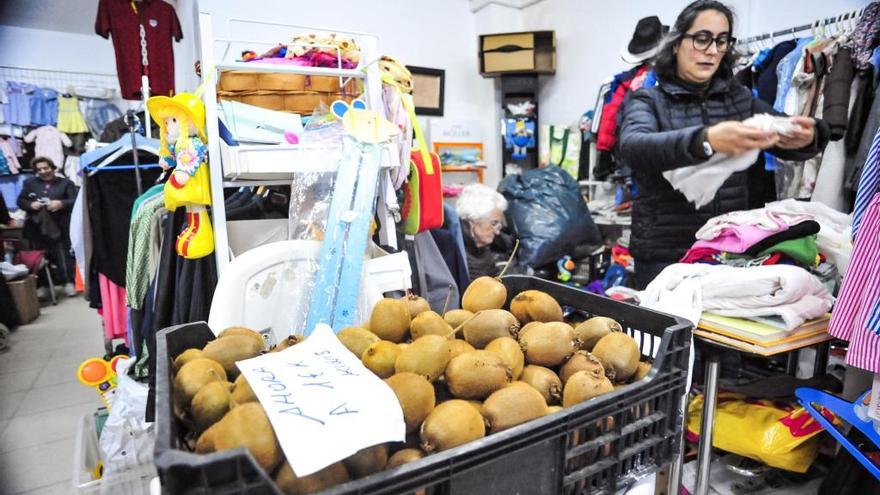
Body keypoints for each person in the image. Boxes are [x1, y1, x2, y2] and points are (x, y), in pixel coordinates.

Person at [618, 0, 830, 289]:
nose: (712, 50)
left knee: (713, 334)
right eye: (702, 38)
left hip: (724, 250)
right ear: (677, 43)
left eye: (721, 40)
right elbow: (635, 147)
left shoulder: (739, 100)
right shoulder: (648, 101)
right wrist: (706, 140)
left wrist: (811, 135)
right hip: (664, 254)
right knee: (663, 332)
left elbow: (784, 137)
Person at [17, 156, 78, 297]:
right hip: (36, 227)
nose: (43, 171)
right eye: (39, 170)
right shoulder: (29, 183)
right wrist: (30, 205)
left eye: (46, 168)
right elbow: (21, 200)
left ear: (53, 168)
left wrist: (61, 204)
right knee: (39, 257)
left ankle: (68, 282)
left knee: (63, 255)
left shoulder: (65, 183)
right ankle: (43, 285)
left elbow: (74, 201)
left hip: (60, 225)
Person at [456, 184, 514, 281]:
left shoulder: (480, 246)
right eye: (494, 223)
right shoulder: (457, 253)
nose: (497, 232)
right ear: (473, 220)